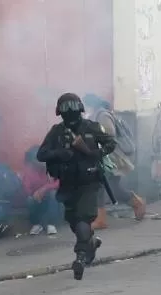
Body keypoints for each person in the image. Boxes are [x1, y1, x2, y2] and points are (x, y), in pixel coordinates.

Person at [37, 93, 116, 280]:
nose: (70, 113)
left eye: (72, 109)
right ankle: (91, 242)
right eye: (66, 110)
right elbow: (42, 154)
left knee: (83, 219)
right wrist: (60, 153)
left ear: (80, 109)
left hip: (89, 183)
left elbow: (111, 143)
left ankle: (80, 257)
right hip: (67, 184)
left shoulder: (91, 127)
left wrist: (95, 153)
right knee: (73, 220)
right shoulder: (56, 131)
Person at [84, 93, 147, 225]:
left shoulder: (102, 115)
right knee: (114, 189)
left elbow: (109, 133)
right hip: (107, 157)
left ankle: (100, 219)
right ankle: (137, 202)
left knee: (100, 186)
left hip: (111, 158)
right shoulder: (99, 114)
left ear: (91, 104)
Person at [21, 146, 62, 235]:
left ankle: (51, 224)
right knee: (29, 200)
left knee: (53, 194)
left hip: (51, 198)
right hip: (37, 198)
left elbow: (59, 182)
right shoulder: (29, 170)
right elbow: (26, 188)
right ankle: (36, 224)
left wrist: (44, 189)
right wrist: (34, 194)